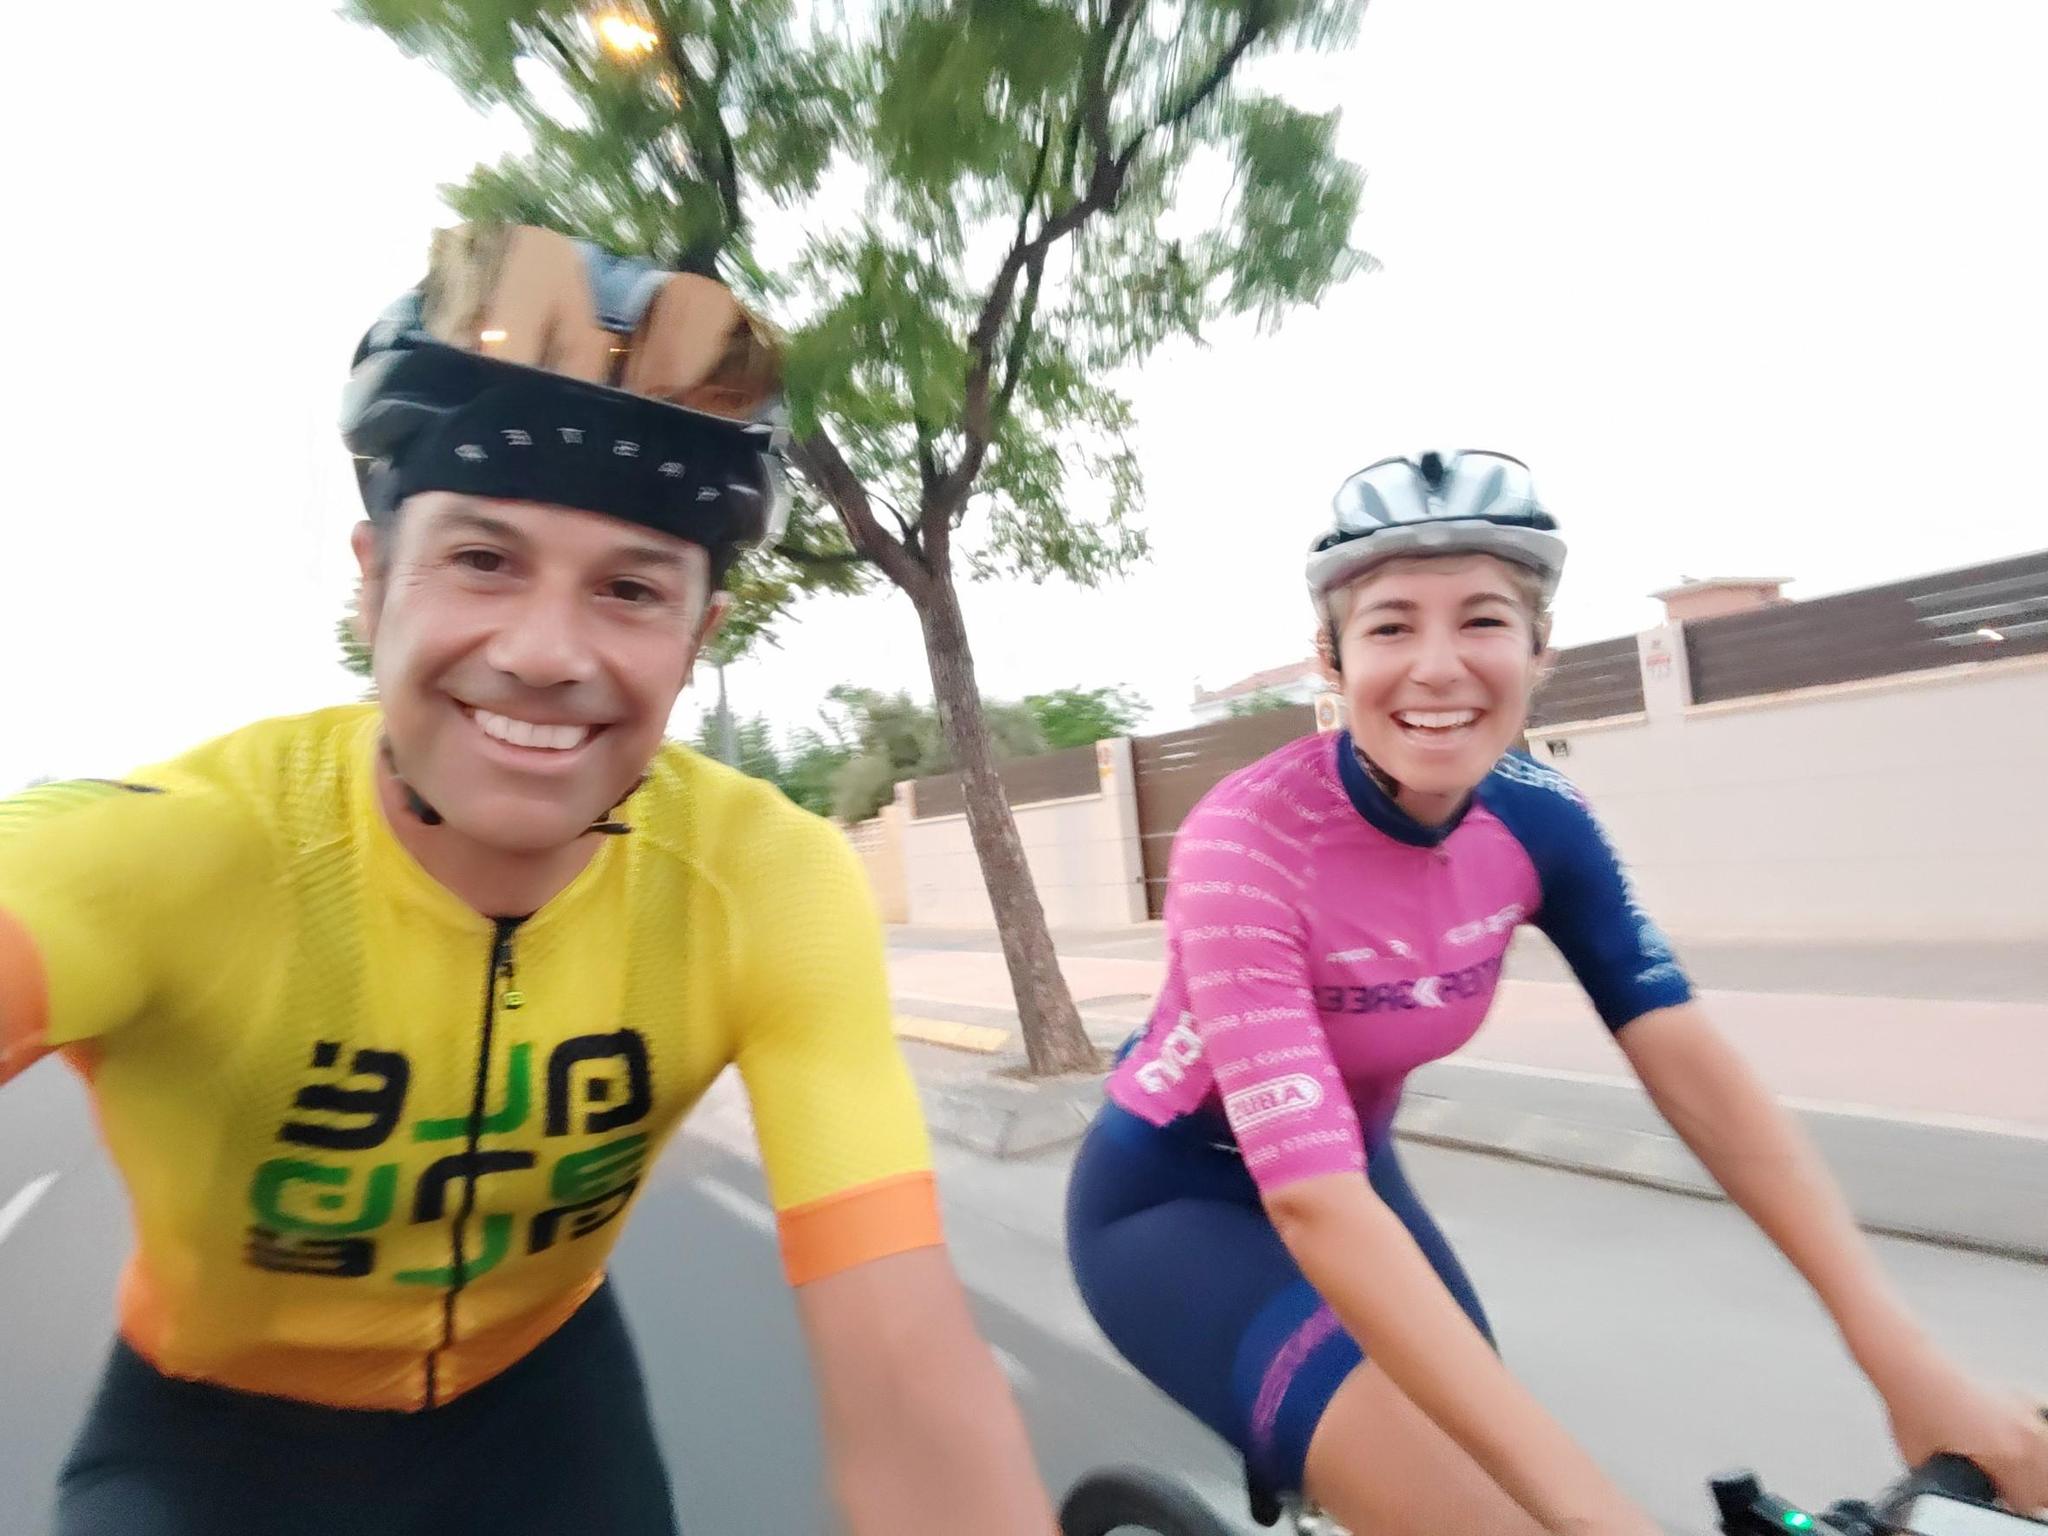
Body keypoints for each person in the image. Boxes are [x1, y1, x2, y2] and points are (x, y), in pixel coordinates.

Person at [0, 223, 1054, 1536]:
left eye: (630, 589)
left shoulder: (763, 879)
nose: (547, 652)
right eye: (483, 559)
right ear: (375, 583)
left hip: (543, 1418)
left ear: (699, 636)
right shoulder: (174, 852)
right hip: (206, 1445)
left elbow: (905, 1370)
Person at [1065, 450, 2048, 1535]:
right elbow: (1312, 1202)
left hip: (1360, 1174)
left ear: (1539, 651)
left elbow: (1695, 1072)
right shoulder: (1246, 843)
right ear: (1333, 661)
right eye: (1390, 626)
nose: (1437, 667)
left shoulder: (1540, 817)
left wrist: (1906, 1363)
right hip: (1176, 1206)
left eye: (1482, 620)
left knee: (1486, 1455)